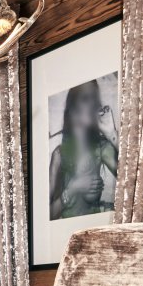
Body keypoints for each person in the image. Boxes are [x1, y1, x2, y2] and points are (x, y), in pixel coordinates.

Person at [48, 78, 117, 220]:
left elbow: (135, 182)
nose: (94, 104)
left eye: (95, 98)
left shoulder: (101, 148)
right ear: (72, 109)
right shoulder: (59, 155)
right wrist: (74, 187)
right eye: (85, 98)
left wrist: (111, 134)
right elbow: (46, 215)